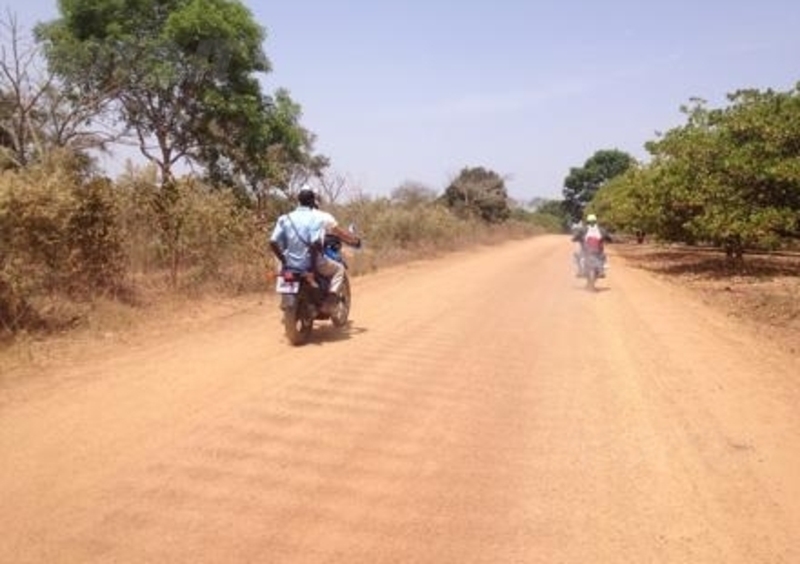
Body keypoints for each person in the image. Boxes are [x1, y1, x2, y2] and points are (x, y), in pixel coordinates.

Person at [269, 187, 361, 311]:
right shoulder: (317, 218)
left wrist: (284, 260)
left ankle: (286, 299)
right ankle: (330, 299)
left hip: (288, 264)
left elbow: (273, 241)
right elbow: (316, 243)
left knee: (284, 273)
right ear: (313, 201)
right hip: (310, 263)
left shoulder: (285, 218)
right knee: (339, 269)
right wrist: (312, 268)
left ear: (298, 201)